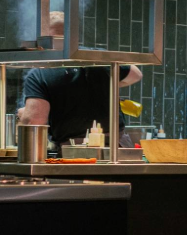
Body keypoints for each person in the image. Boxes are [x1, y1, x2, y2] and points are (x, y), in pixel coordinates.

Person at [18, 13, 142, 147]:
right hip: (118, 149)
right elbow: (136, 74)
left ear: (42, 38)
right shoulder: (98, 58)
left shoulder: (39, 73)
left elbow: (33, 121)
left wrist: (24, 113)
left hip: (75, 153)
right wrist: (108, 84)